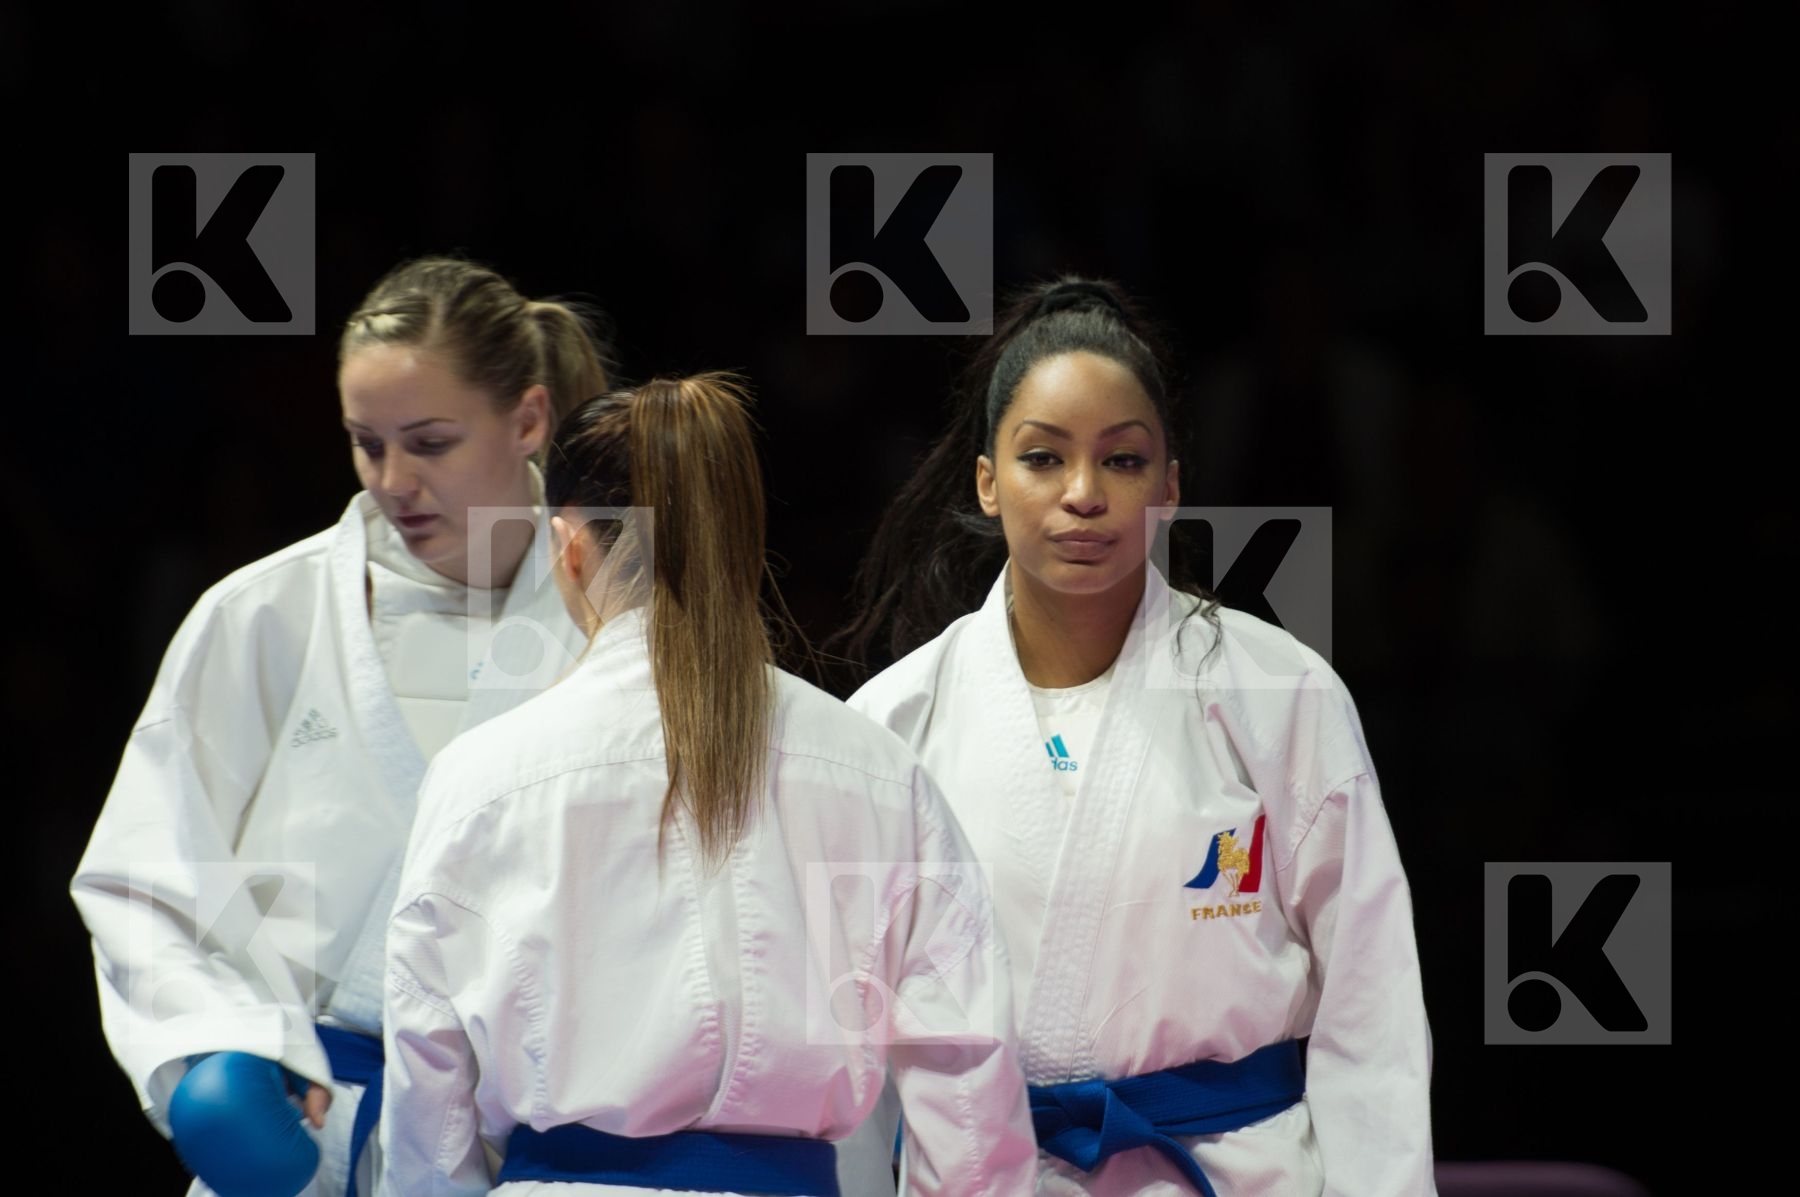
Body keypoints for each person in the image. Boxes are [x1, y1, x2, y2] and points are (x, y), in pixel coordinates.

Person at [831, 279, 1437, 1196]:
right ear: (987, 481)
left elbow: (1373, 1005)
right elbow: (849, 1045)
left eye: (1122, 461)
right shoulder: (892, 722)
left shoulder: (1280, 693)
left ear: (1170, 486)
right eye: (1043, 458)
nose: (1083, 495)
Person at [378, 374, 1038, 1196]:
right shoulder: (874, 770)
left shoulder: (481, 779)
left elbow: (429, 1100)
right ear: (736, 539)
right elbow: (967, 1083)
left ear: (568, 548)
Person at [70, 255, 614, 1197]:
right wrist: (217, 1048)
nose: (394, 479)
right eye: (368, 444)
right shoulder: (265, 614)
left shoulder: (621, 624)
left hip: (528, 1151)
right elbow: (143, 875)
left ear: (529, 420)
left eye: (431, 442)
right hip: (305, 1128)